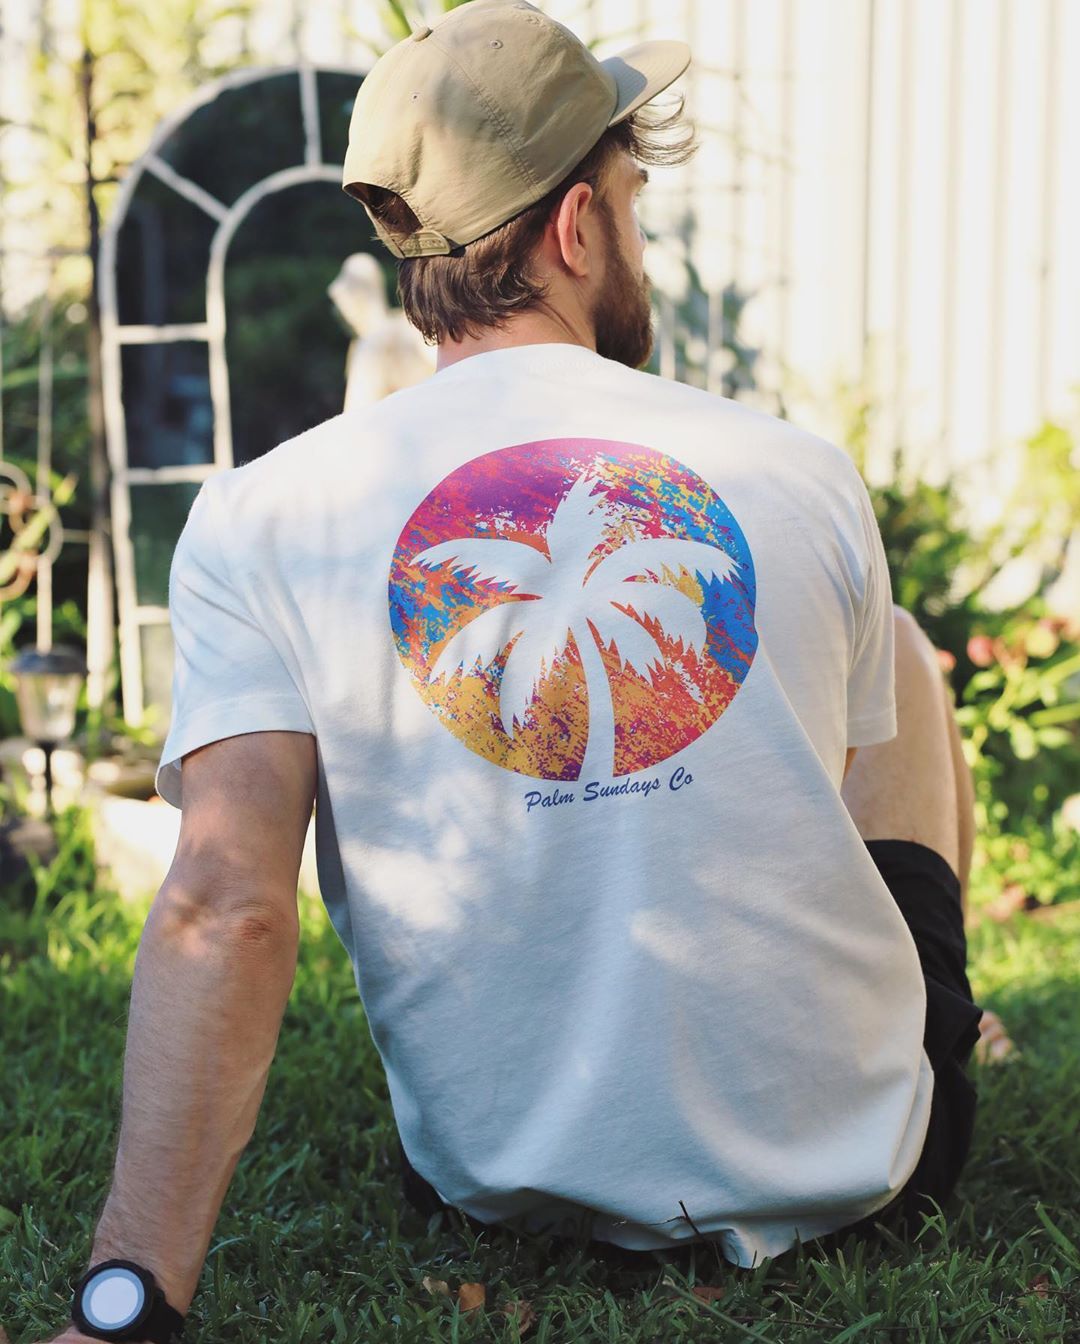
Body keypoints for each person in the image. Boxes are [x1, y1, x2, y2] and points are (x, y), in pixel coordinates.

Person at [43, 2, 1003, 1339]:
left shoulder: (264, 513)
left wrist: (128, 1302)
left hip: (503, 1193)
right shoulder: (797, 471)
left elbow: (226, 905)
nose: (638, 244)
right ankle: (954, 1024)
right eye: (632, 205)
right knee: (894, 647)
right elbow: (808, 812)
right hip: (864, 1178)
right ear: (577, 229)